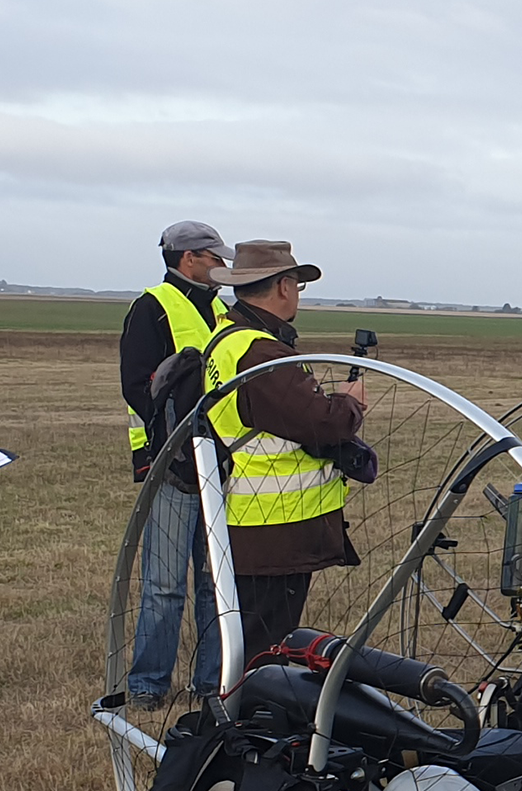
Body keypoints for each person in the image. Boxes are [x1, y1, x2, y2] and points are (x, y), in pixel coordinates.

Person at [200, 241, 373, 655]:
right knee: (264, 651)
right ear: (282, 286)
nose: (296, 294)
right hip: (274, 528)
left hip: (255, 524)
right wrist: (350, 402)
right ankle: (246, 718)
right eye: (296, 284)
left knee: (252, 644)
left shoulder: (229, 339)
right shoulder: (259, 352)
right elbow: (322, 424)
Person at [119, 221, 231, 709]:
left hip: (222, 461)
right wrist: (169, 443)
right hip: (171, 465)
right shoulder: (151, 308)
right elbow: (138, 388)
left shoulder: (223, 309)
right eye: (214, 258)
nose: (221, 267)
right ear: (188, 259)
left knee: (215, 582)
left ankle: (211, 683)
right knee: (164, 584)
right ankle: (148, 687)